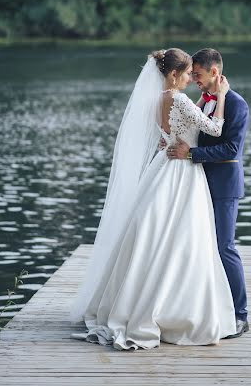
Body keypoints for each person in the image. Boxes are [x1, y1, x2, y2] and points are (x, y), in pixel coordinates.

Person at [69, 48, 237, 350]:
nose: (190, 77)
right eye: (187, 73)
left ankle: (141, 298)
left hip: (163, 166)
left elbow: (171, 132)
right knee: (184, 238)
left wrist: (181, 129)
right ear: (174, 75)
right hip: (183, 173)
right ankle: (173, 309)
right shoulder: (180, 98)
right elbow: (213, 127)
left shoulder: (157, 100)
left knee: (159, 234)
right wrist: (221, 96)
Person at [166, 48, 250, 338]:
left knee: (225, 247)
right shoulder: (204, 103)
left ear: (214, 72)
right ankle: (212, 310)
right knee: (200, 248)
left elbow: (231, 149)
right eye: (193, 75)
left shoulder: (237, 105)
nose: (195, 80)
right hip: (197, 184)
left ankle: (240, 315)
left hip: (224, 185)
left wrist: (191, 154)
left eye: (199, 75)